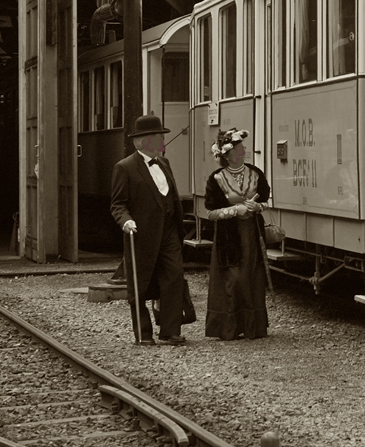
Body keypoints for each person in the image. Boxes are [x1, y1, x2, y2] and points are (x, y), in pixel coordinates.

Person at [110, 114, 188, 346]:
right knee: (139, 285)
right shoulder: (124, 167)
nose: (164, 141)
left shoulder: (164, 163)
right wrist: (125, 221)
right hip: (141, 235)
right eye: (159, 137)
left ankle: (170, 331)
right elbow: (117, 204)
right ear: (144, 141)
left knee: (174, 277)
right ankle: (143, 334)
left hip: (169, 232)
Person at [204, 127, 270, 340]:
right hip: (229, 237)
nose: (243, 150)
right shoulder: (216, 179)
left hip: (252, 233)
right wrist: (234, 210)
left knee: (253, 278)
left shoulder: (255, 173)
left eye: (243, 146)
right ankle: (229, 327)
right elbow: (210, 213)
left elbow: (267, 201)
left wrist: (257, 207)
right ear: (227, 154)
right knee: (236, 279)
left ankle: (254, 328)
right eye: (238, 147)